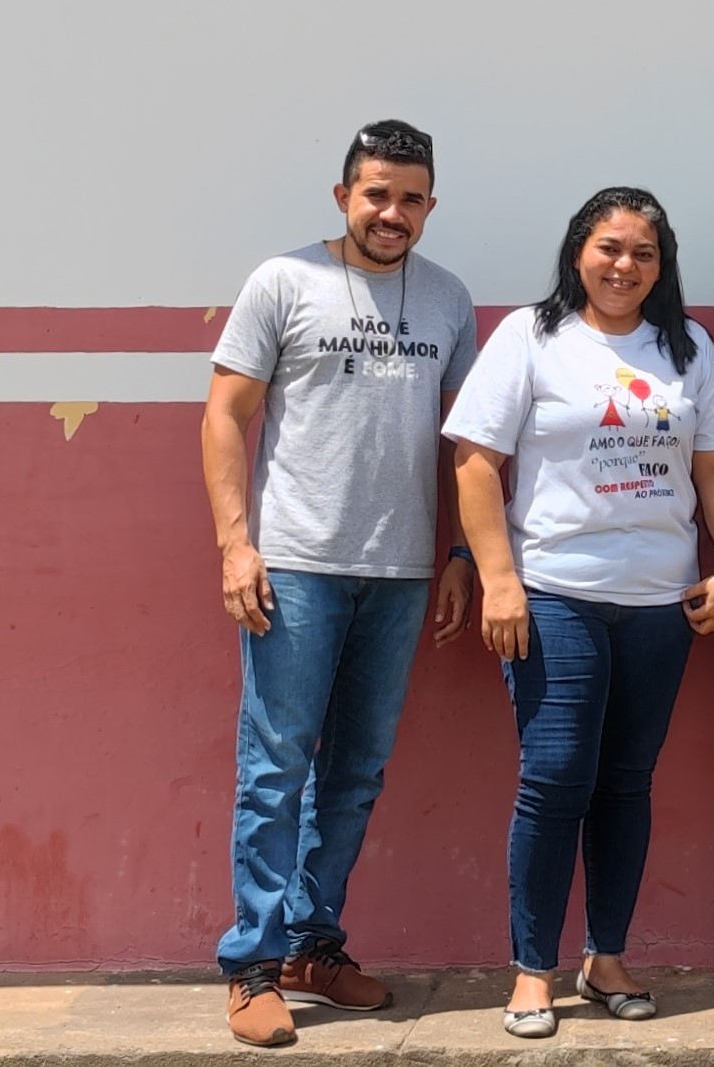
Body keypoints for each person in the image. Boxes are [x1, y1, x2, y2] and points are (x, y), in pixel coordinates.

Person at [444, 186, 714, 1039]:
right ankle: (532, 970)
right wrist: (500, 581)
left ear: (663, 264)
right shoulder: (531, 338)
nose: (624, 266)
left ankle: (606, 956)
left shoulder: (687, 348)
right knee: (553, 784)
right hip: (555, 596)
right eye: (609, 248)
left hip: (661, 604)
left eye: (643, 253)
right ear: (579, 251)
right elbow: (475, 465)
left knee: (626, 783)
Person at [202, 120, 479, 1048]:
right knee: (276, 769)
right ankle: (249, 964)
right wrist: (236, 546)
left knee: (354, 774)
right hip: (296, 567)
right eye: (375, 194)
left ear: (430, 206)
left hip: (398, 574)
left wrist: (457, 556)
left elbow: (462, 447)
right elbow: (223, 416)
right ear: (343, 196)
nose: (391, 213)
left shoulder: (448, 300)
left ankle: (313, 949)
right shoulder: (283, 281)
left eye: (409, 198)